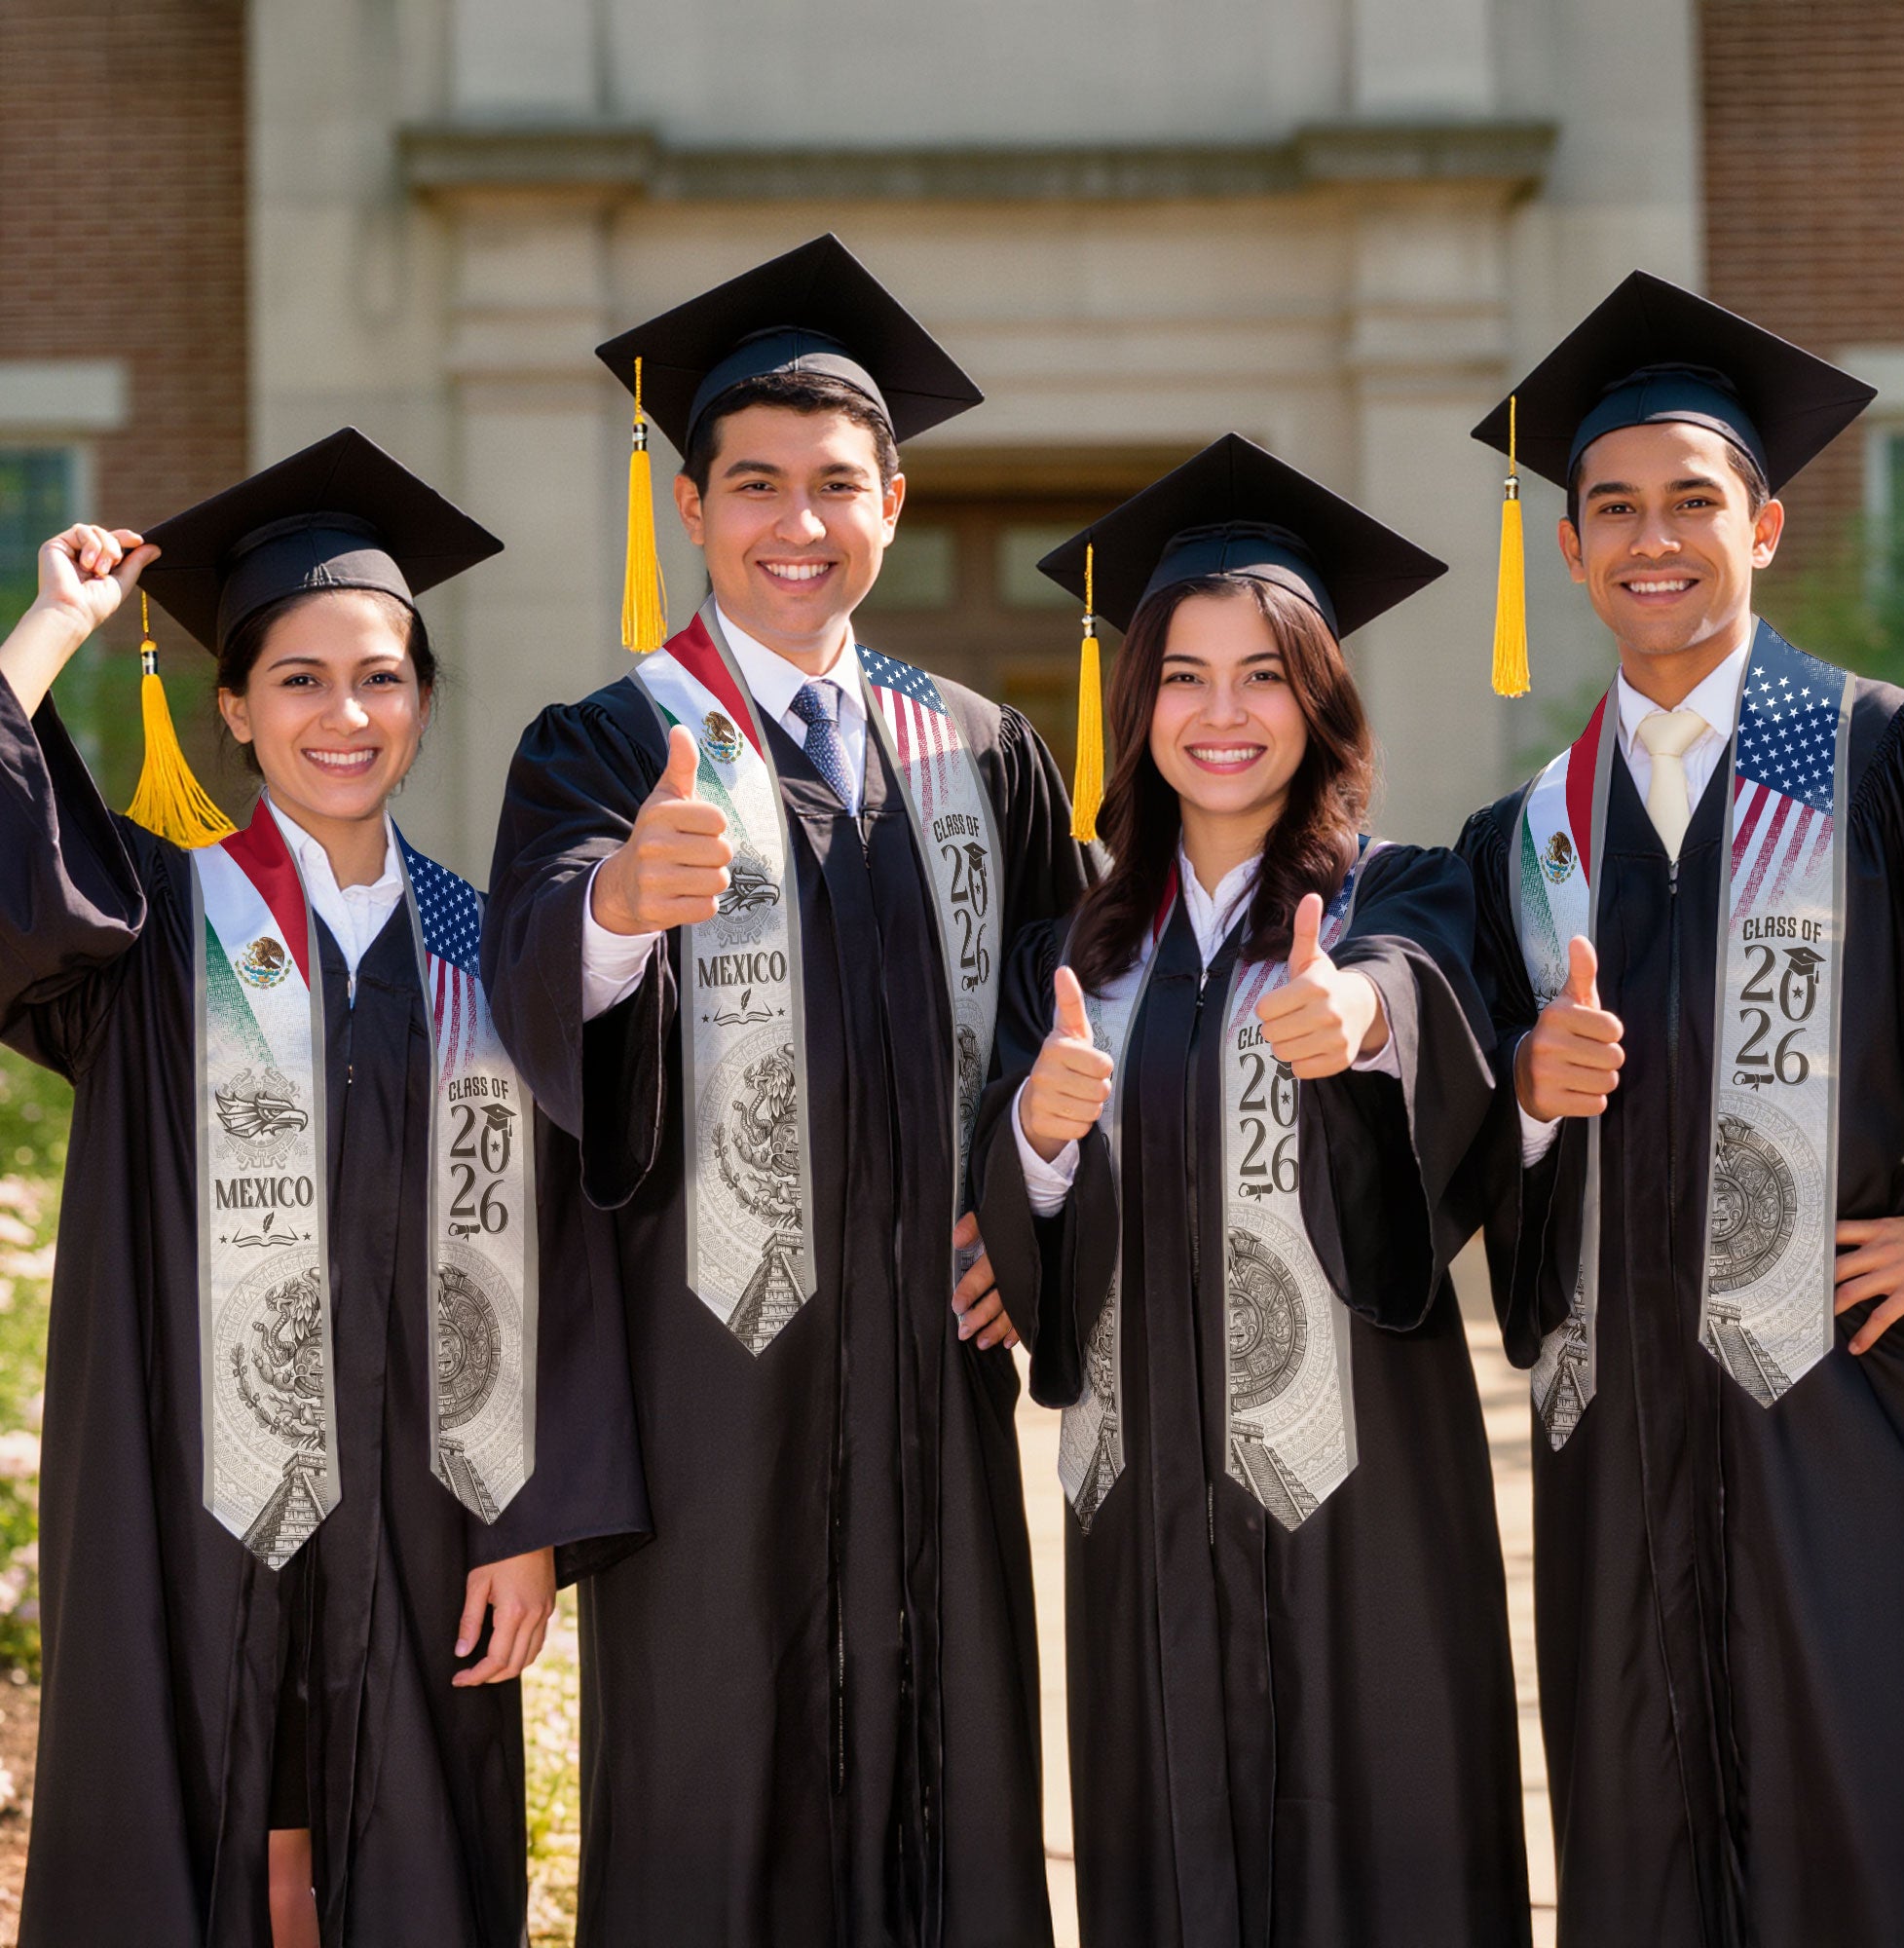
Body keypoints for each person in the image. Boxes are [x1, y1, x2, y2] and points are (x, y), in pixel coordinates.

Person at [484, 235, 1091, 1947]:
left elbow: (1080, 1015)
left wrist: (1031, 1217)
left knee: (951, 1775)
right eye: (756, 485)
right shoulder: (606, 743)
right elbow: (536, 975)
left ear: (893, 501)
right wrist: (616, 906)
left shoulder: (980, 748)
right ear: (692, 507)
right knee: (715, 1792)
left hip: (933, 1370)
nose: (797, 524)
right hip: (713, 1381)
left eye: (838, 485)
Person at [0, 429, 648, 1948]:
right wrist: (51, 630)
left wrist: (530, 1519)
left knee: (410, 1849)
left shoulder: (491, 950)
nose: (343, 714)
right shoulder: (154, 926)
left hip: (431, 1514)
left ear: (423, 699)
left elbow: (568, 1243)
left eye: (381, 676)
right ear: (232, 707)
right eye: (297, 679)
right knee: (196, 1823)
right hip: (185, 1499)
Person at [972, 434, 1529, 1947]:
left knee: (1386, 1851)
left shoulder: (1399, 893)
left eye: (1266, 674)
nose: (1224, 714)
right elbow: (1022, 1219)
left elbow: (1424, 999)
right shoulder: (1074, 955)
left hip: (1363, 1498)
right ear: (1136, 701)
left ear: (1322, 698)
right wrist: (1033, 1129)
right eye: (1185, 676)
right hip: (1142, 1493)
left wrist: (1359, 1023)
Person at [1458, 272, 1904, 1947]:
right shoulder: (1527, 838)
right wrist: (1523, 1096)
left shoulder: (1884, 758)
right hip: (1617, 1448)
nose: (1650, 538)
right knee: (1638, 1841)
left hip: (1849, 1417)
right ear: (1575, 547)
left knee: (1866, 1826)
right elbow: (1461, 1144)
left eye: (1691, 502)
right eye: (1612, 509)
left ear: (1766, 524)